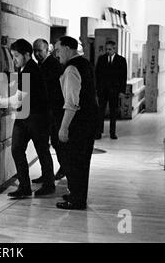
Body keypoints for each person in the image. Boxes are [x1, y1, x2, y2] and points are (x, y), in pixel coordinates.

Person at [0, 39, 55, 198]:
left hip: (37, 118)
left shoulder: (30, 71)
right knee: (18, 149)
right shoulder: (24, 69)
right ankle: (25, 186)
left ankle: (48, 185)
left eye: (16, 56)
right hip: (24, 116)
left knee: (42, 151)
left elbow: (18, 99)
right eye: (12, 56)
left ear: (27, 55)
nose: (14, 60)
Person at [54, 36, 98, 210]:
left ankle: (77, 200)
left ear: (67, 48)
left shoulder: (72, 68)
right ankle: (77, 195)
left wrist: (63, 128)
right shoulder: (84, 63)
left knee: (74, 162)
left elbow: (72, 102)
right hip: (89, 121)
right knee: (81, 161)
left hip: (78, 123)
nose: (57, 54)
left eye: (58, 50)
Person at [32, 38, 66, 183]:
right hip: (46, 112)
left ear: (47, 50)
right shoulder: (40, 65)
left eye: (39, 50)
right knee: (45, 145)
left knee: (56, 144)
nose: (36, 53)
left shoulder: (53, 65)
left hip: (53, 111)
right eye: (34, 50)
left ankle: (63, 169)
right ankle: (47, 174)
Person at [95, 40, 127, 140]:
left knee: (113, 112)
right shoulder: (101, 59)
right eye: (106, 49)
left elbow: (123, 77)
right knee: (101, 112)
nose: (107, 51)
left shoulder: (121, 60)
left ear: (114, 49)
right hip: (102, 91)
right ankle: (98, 132)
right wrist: (97, 89)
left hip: (115, 91)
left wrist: (122, 91)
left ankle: (112, 133)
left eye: (109, 49)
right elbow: (97, 75)